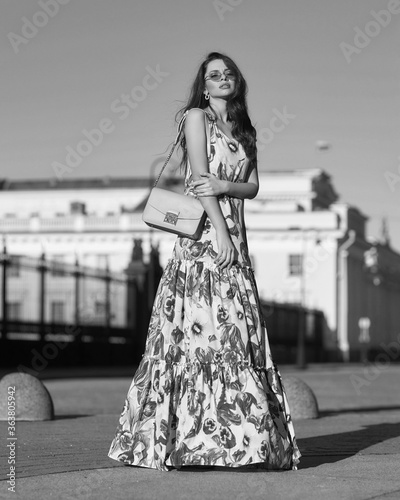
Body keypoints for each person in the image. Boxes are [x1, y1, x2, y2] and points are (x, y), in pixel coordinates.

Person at [108, 52, 301, 471]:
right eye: (214, 75)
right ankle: (179, 442)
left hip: (236, 239)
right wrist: (222, 232)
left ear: (237, 82)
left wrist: (224, 185)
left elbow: (251, 187)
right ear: (204, 84)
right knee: (199, 333)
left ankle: (237, 442)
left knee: (235, 335)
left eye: (228, 73)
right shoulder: (196, 118)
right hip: (205, 239)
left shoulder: (245, 130)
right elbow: (198, 180)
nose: (222, 79)